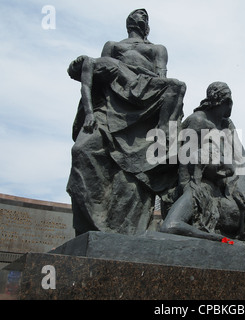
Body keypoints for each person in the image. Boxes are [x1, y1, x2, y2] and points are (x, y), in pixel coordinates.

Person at [67, 9, 186, 236]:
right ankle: (93, 226)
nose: (140, 15)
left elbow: (161, 77)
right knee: (82, 149)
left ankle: (162, 135)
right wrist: (90, 113)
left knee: (177, 85)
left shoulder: (157, 49)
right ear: (128, 22)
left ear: (147, 25)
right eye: (136, 14)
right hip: (112, 103)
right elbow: (96, 78)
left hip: (144, 100)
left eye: (144, 15)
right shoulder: (112, 45)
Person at [160, 82, 245, 242]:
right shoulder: (198, 120)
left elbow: (243, 162)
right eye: (230, 101)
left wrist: (241, 189)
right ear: (226, 101)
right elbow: (185, 160)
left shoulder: (227, 124)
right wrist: (190, 190)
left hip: (226, 186)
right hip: (198, 182)